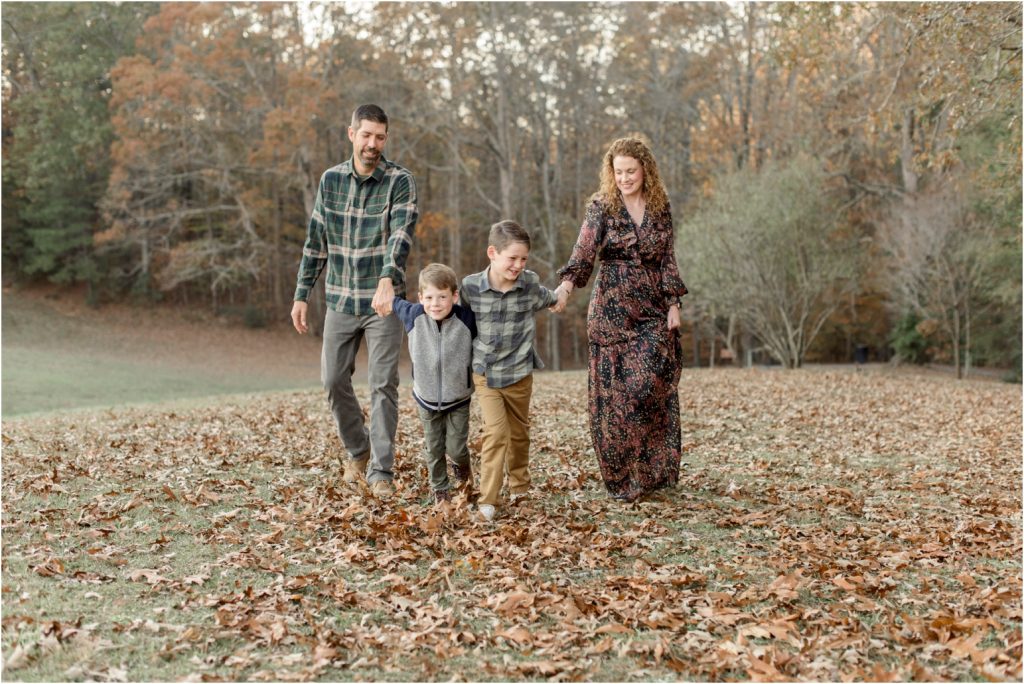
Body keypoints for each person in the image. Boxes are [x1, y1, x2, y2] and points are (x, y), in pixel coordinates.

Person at [291, 104, 418, 500]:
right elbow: (316, 242)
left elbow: (401, 235)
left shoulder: (400, 181)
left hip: (384, 303)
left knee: (383, 385)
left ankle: (381, 471)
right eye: (366, 135)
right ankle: (358, 450)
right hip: (341, 299)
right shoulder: (330, 181)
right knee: (332, 380)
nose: (372, 144)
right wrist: (301, 294)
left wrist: (387, 280)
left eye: (380, 137)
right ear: (351, 134)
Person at [555, 137, 688, 502]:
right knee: (616, 397)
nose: (625, 178)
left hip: (651, 310)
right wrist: (566, 287)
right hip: (611, 309)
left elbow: (667, 259)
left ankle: (652, 470)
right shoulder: (602, 206)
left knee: (647, 386)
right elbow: (584, 251)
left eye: (631, 171)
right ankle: (623, 478)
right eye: (618, 172)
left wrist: (674, 303)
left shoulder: (661, 207)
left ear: (645, 170)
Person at [460, 220, 569, 521]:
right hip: (486, 374)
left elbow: (551, 298)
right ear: (492, 253)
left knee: (519, 434)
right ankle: (488, 500)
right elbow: (452, 317)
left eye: (523, 259)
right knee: (497, 433)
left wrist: (565, 290)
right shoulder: (470, 287)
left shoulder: (530, 283)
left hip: (520, 373)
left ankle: (520, 486)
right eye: (512, 258)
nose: (518, 265)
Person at [392, 263, 476, 505]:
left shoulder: (467, 319)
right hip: (426, 398)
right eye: (429, 297)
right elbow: (393, 300)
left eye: (442, 296)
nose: (435, 303)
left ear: (455, 296)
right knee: (434, 447)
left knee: (457, 448)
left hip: (459, 398)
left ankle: (463, 467)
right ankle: (440, 488)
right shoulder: (414, 315)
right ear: (420, 298)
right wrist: (383, 287)